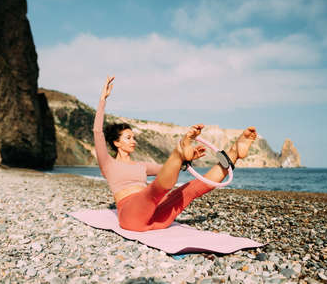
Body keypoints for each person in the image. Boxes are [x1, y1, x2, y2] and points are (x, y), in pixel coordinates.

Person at [93, 76, 257, 231]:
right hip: (131, 217)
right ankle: (180, 150)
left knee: (190, 189)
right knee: (153, 190)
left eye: (134, 137)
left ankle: (233, 153)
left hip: (158, 218)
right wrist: (102, 100)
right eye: (128, 138)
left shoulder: (141, 166)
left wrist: (186, 162)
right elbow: (97, 132)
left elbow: (168, 170)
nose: (133, 141)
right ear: (116, 142)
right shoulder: (108, 163)